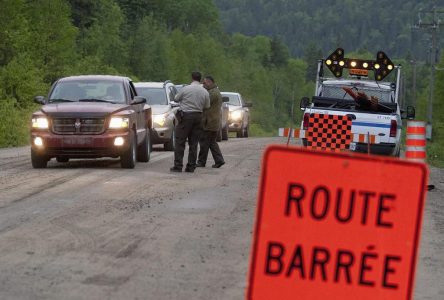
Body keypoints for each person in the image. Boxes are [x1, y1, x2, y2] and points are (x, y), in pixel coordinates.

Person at [170, 71, 210, 173]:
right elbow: (207, 106)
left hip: (186, 116)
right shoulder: (204, 91)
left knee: (180, 141)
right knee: (194, 143)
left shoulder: (186, 89)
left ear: (192, 78)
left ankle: (178, 166)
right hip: (198, 117)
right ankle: (191, 166)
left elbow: (176, 99)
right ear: (200, 79)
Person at [196, 76, 225, 168]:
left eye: (205, 83)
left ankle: (202, 161)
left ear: (210, 82)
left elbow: (204, 104)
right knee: (211, 142)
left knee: (204, 142)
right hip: (213, 121)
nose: (203, 85)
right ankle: (219, 160)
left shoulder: (212, 93)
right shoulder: (215, 91)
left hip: (210, 121)